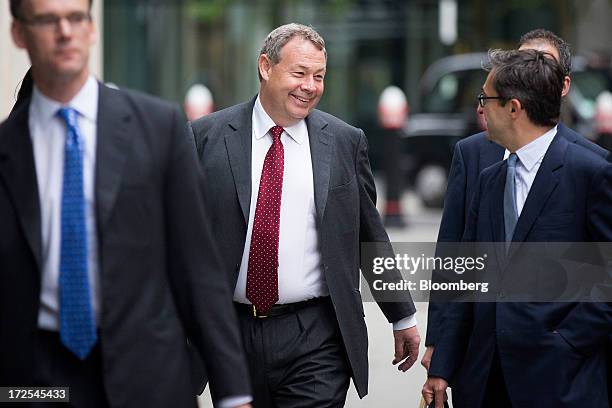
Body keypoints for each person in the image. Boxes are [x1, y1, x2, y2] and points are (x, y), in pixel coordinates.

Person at [0, 1, 251, 407]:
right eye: (47, 20)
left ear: (92, 27)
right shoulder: (6, 150)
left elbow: (198, 269)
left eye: (76, 17)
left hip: (149, 376)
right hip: (35, 385)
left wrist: (234, 391)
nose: (65, 31)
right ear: (18, 33)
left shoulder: (159, 127)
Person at [189, 23, 420, 407]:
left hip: (316, 334)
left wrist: (402, 315)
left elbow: (368, 237)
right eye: (299, 73)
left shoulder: (345, 142)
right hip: (230, 332)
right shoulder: (205, 138)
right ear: (266, 67)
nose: (310, 86)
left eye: (319, 76)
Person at [421, 28, 612, 406]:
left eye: (485, 99)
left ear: (513, 108)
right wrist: (441, 364)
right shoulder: (489, 179)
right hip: (485, 379)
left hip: (560, 382)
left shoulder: (591, 171)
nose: (480, 108)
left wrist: (566, 341)